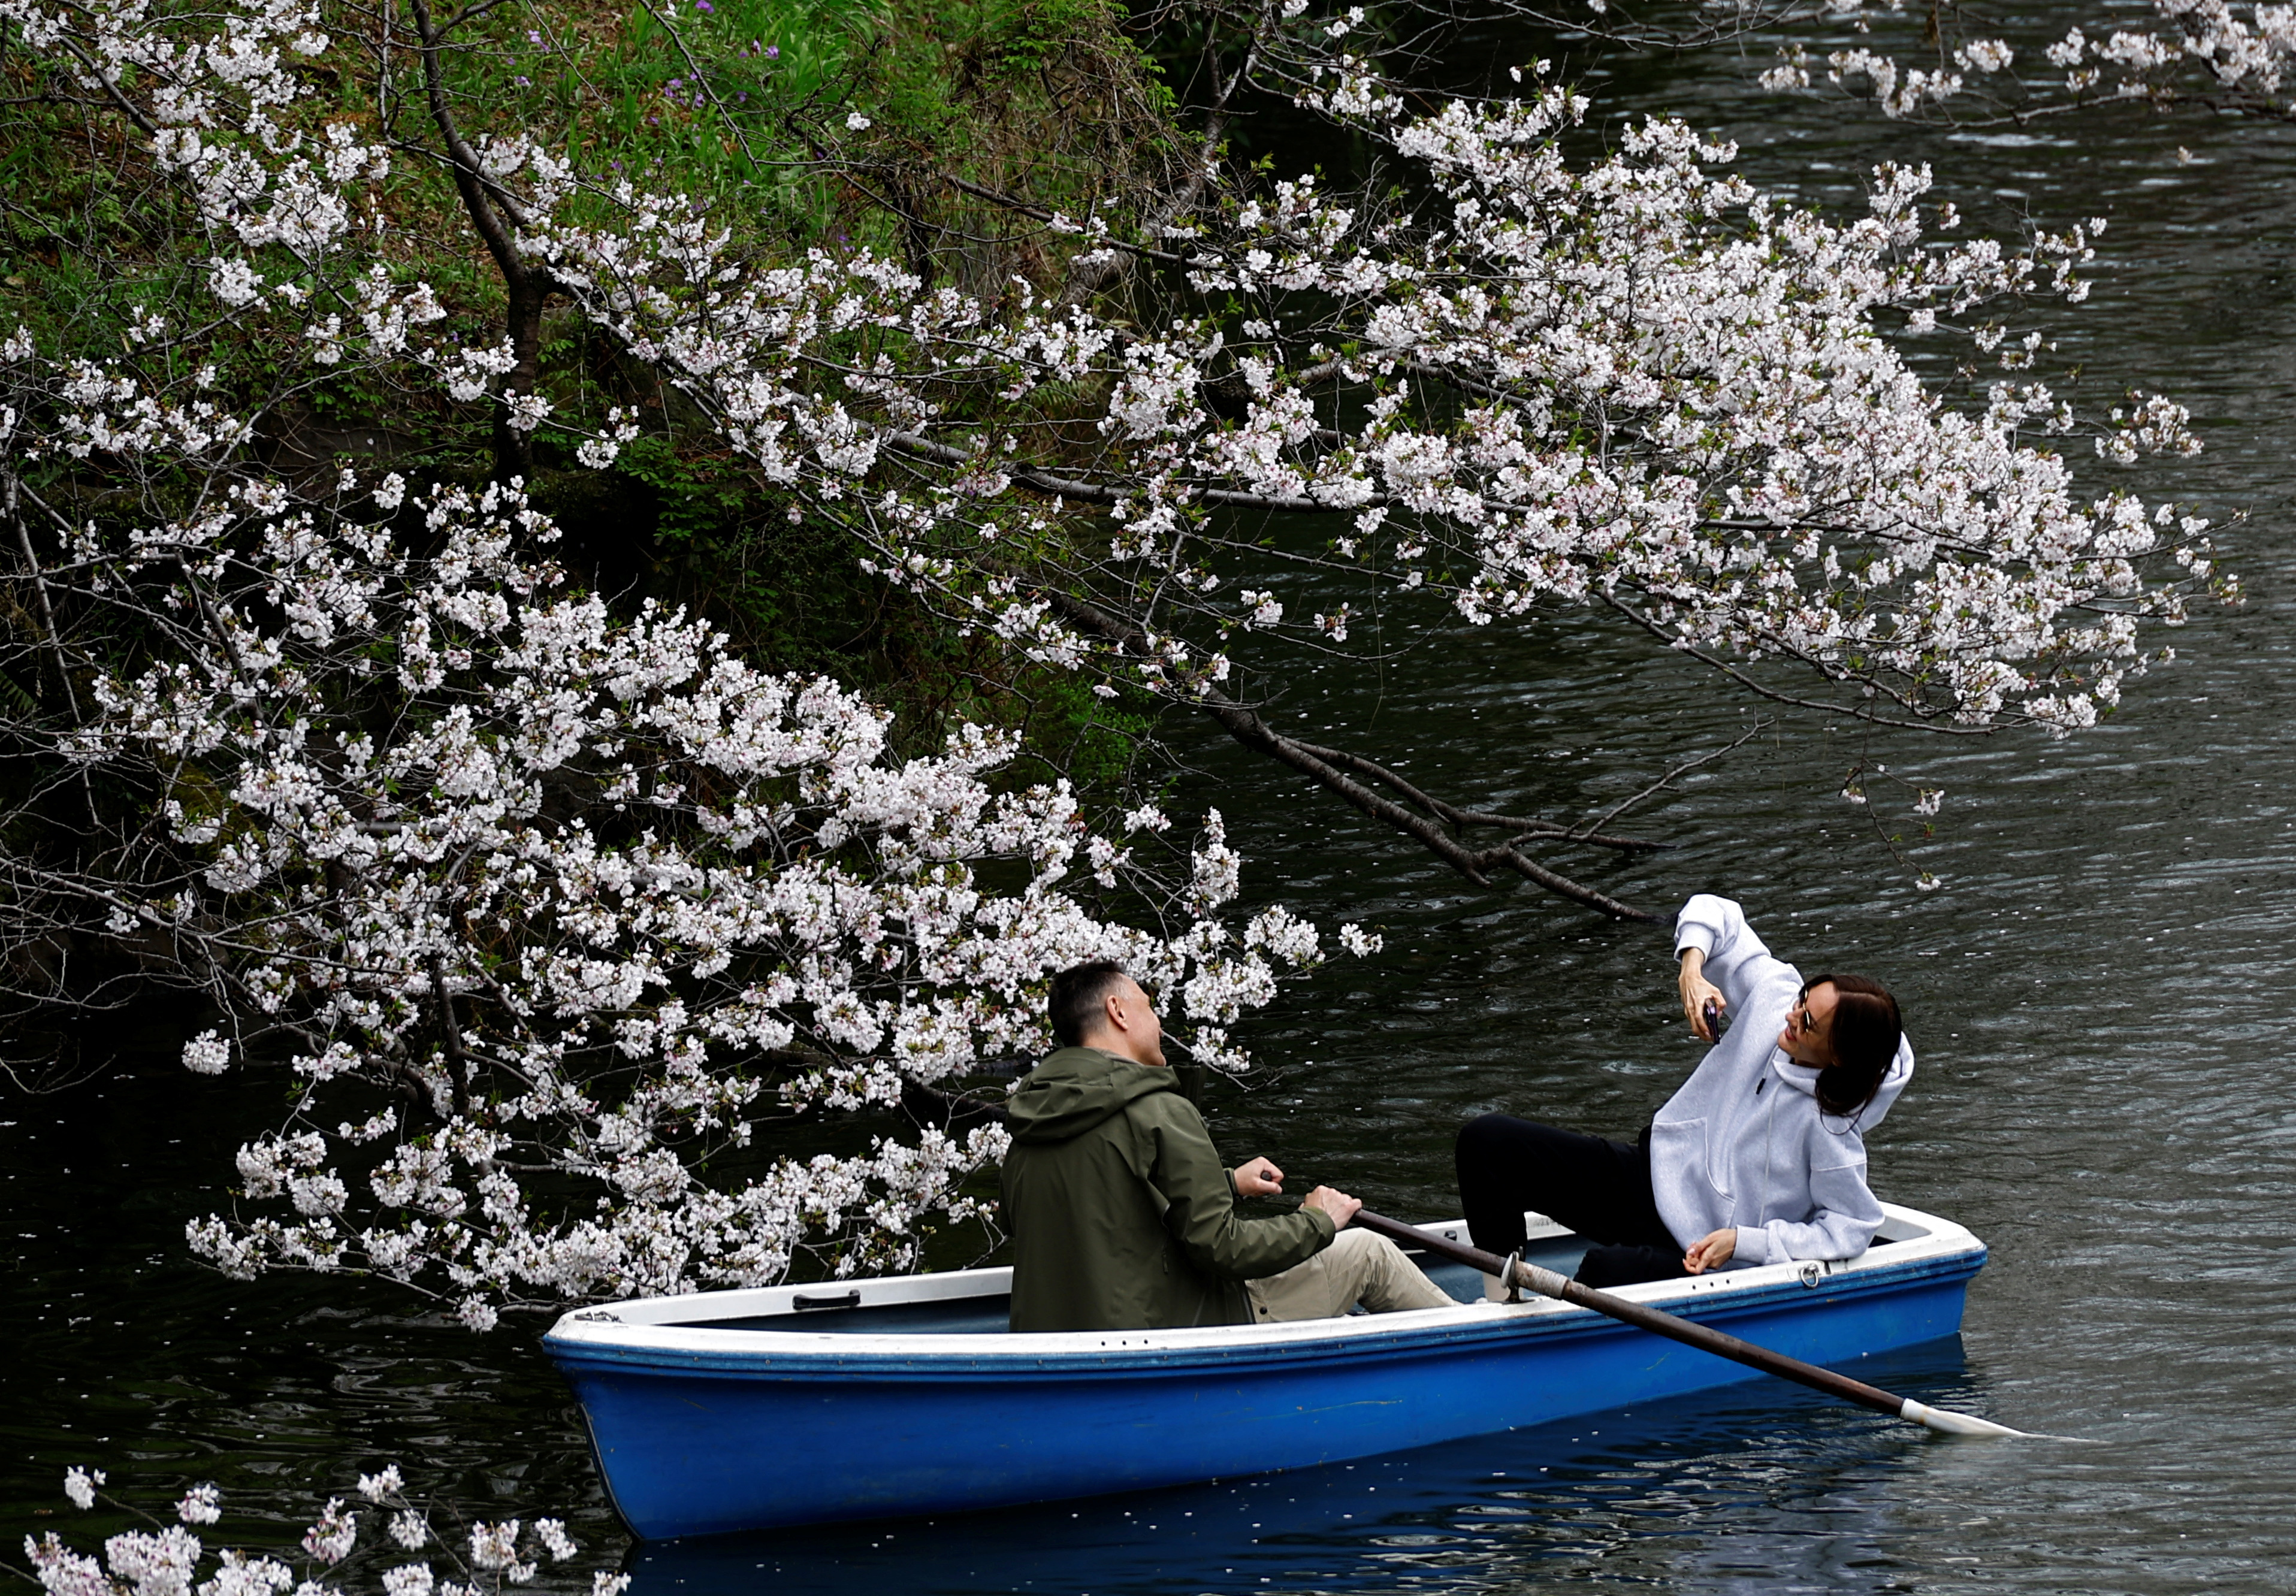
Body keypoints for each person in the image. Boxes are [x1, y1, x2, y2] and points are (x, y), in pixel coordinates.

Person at [1455, 893, 1913, 1289]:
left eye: (1809, 1023)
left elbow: (1851, 1228)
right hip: (1652, 1179)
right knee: (1488, 1144)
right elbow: (1718, 913)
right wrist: (1692, 970)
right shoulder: (1774, 1001)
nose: (1792, 1017)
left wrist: (1747, 1242)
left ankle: (1553, 1359)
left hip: (1704, 1251)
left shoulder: (1832, 1131)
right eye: (1802, 1001)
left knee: (1602, 1272)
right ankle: (1503, 1304)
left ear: (1840, 1056)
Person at [1002, 960, 1460, 1331]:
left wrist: (1225, 1184)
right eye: (1149, 1006)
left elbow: (1101, 1208)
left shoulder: (1030, 1120)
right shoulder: (1159, 1110)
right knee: (1367, 1251)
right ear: (1119, 1012)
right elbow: (1223, 1248)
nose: (1159, 1022)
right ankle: (1474, 1338)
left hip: (1060, 1337)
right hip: (1177, 1326)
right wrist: (1317, 1222)